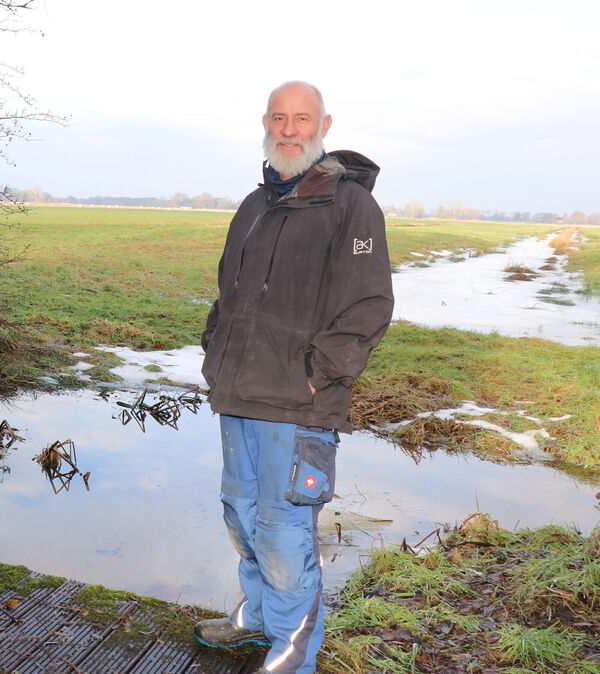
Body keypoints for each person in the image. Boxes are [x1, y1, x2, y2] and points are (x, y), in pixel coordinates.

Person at [196, 81, 394, 674]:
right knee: (240, 513)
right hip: (237, 396)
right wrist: (215, 353)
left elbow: (368, 307)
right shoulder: (254, 206)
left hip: (297, 405)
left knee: (284, 532)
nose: (288, 129)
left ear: (323, 124)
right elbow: (229, 294)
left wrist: (316, 377)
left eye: (300, 119)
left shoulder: (351, 206)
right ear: (265, 122)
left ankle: (291, 657)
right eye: (279, 118)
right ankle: (256, 622)